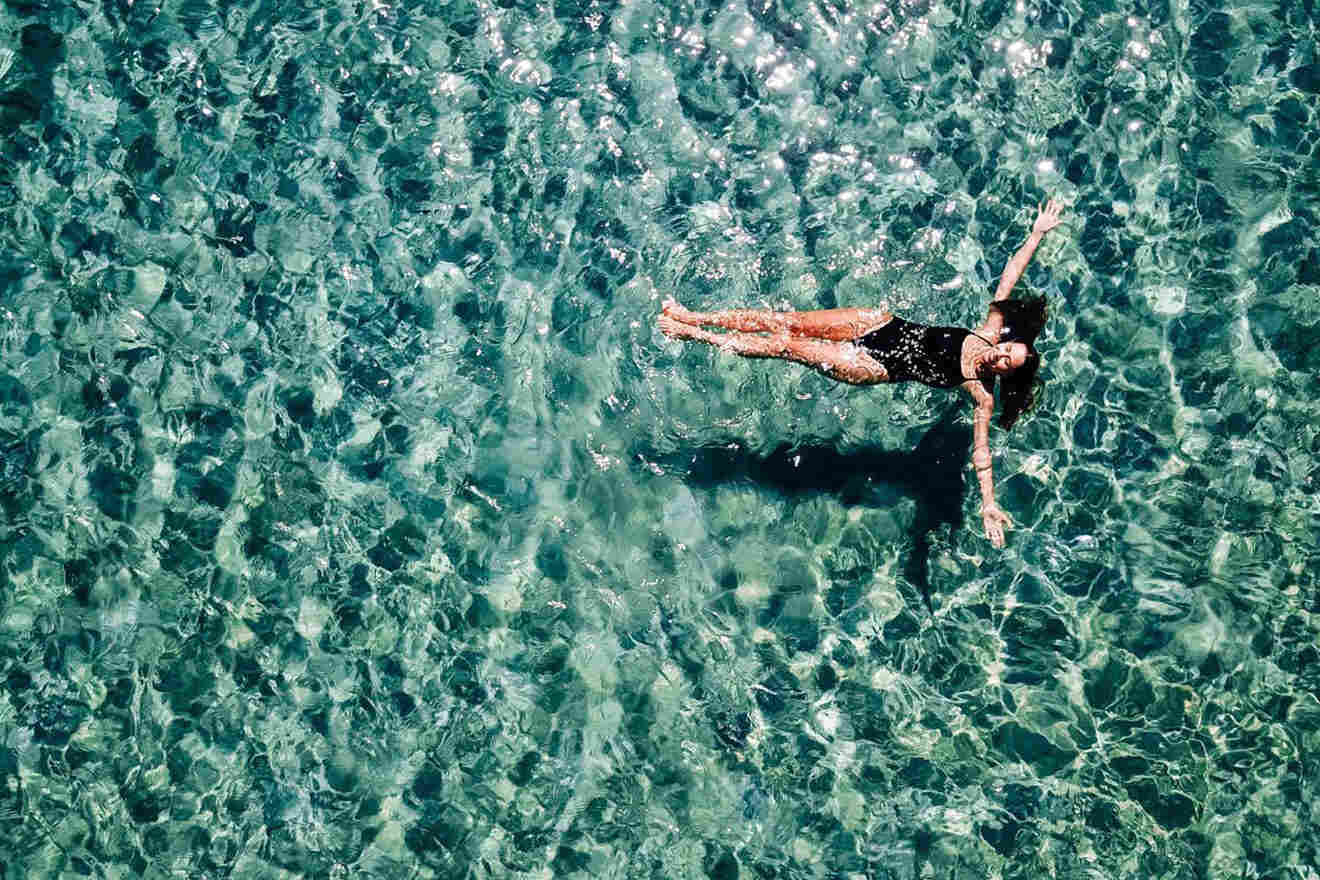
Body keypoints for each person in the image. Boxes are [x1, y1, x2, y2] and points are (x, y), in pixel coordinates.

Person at [657, 198, 1065, 547]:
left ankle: (691, 334)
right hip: (880, 324)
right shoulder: (987, 332)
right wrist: (1038, 232)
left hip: (875, 365)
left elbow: (981, 454)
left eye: (1006, 362)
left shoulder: (981, 393)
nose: (999, 356)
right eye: (1006, 350)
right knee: (787, 320)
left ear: (1005, 374)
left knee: (784, 345)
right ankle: (692, 315)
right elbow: (1009, 276)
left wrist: (988, 503)